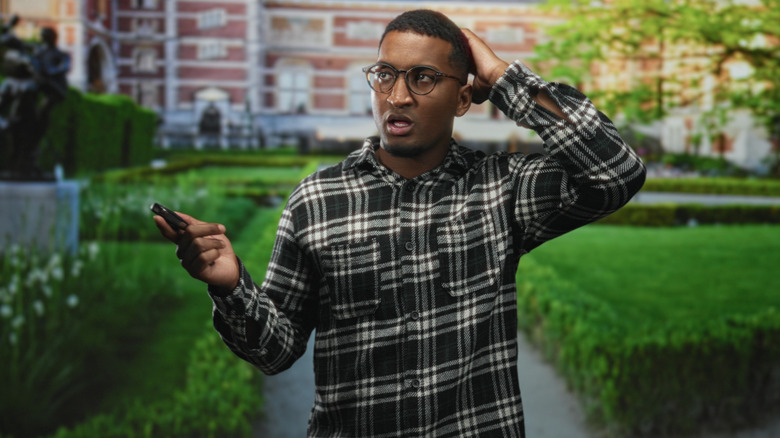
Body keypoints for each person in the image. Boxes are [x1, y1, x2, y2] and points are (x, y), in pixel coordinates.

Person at [154, 9, 646, 437]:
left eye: (424, 77)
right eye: (385, 74)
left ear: (462, 98)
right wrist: (231, 285)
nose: (398, 96)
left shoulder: (503, 189)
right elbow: (274, 352)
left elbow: (616, 170)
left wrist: (502, 77)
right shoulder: (317, 200)